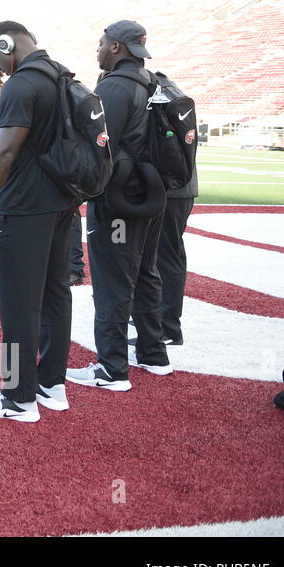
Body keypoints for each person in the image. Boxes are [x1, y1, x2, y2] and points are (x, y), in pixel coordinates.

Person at [0, 21, 78, 422]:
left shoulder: (22, 85)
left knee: (18, 304)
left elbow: (3, 155)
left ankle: (18, 397)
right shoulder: (60, 75)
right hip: (63, 202)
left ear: (5, 45)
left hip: (25, 206)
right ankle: (51, 385)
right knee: (57, 292)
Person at [68, 21, 173, 392]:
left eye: (101, 43)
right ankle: (153, 352)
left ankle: (111, 367)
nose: (97, 49)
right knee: (146, 272)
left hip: (118, 197)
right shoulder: (152, 81)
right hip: (150, 191)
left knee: (113, 278)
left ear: (115, 47)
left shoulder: (114, 85)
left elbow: (99, 143)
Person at [152, 113, 199, 346]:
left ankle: (168, 326)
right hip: (179, 188)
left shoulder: (159, 95)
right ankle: (159, 317)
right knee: (164, 255)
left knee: (167, 256)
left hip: (172, 189)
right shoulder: (169, 92)